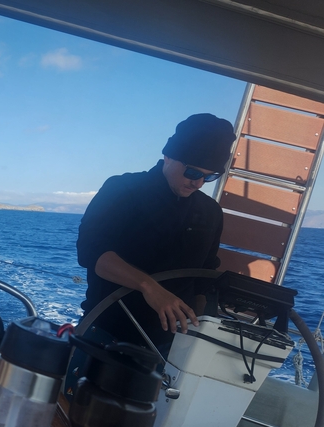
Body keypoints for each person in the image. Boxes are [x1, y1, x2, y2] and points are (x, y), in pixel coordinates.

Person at [76, 113, 236, 355]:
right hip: (104, 332)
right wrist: (151, 288)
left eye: (210, 176)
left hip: (172, 347)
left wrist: (201, 331)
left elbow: (204, 275)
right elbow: (92, 254)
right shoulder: (122, 189)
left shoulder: (211, 212)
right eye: (192, 172)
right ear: (168, 156)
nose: (199, 183)